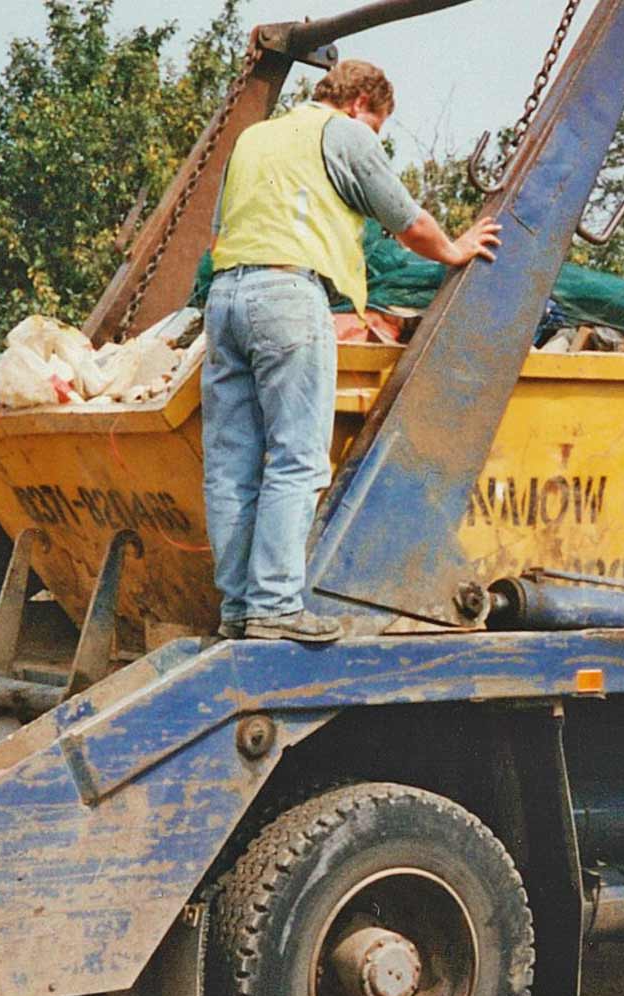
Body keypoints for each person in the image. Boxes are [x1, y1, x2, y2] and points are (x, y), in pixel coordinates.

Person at [204, 59, 502, 642]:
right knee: (297, 459)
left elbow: (219, 231)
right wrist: (456, 248)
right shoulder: (341, 133)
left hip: (226, 299)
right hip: (289, 293)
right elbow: (405, 219)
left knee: (230, 467)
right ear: (362, 101)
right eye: (379, 126)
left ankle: (238, 608)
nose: (375, 139)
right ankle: (275, 607)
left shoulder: (254, 137)